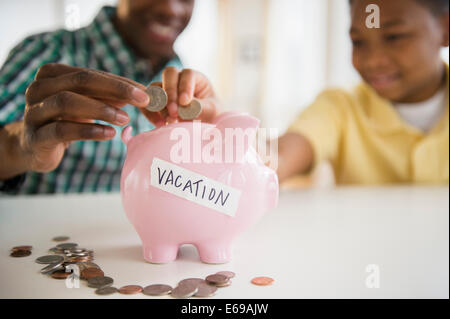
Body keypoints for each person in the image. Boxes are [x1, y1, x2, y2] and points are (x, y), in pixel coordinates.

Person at [0, 0, 220, 194]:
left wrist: (221, 132)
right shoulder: (48, 51)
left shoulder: (183, 74)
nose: (170, 8)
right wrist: (17, 146)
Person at [277, 0, 449, 185]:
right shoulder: (339, 107)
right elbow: (282, 154)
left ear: (445, 29)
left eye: (394, 37)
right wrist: (257, 159)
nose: (373, 61)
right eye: (358, 42)